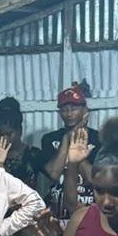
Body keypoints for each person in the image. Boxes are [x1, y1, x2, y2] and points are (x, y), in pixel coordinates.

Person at [38, 83, 99, 214]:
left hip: (88, 210)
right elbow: (54, 174)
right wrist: (67, 138)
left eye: (74, 108)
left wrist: (76, 152)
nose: (69, 113)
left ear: (85, 110)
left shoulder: (98, 139)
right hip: (57, 212)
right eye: (64, 109)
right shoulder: (49, 139)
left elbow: (92, 178)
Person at [0, 97, 43, 190]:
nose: (4, 138)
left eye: (9, 134)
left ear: (20, 130)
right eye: (0, 134)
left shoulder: (33, 155)